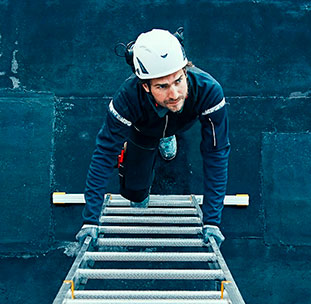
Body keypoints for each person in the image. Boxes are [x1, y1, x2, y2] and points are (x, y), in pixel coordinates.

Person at [76, 28, 230, 247]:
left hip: (180, 122)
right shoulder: (127, 98)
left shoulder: (209, 91)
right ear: (145, 86)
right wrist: (90, 220)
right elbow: (104, 153)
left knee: (173, 119)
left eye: (178, 81)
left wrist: (212, 221)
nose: (174, 94)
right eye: (162, 86)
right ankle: (144, 150)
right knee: (135, 196)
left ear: (185, 70)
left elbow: (216, 153)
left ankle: (168, 136)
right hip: (144, 131)